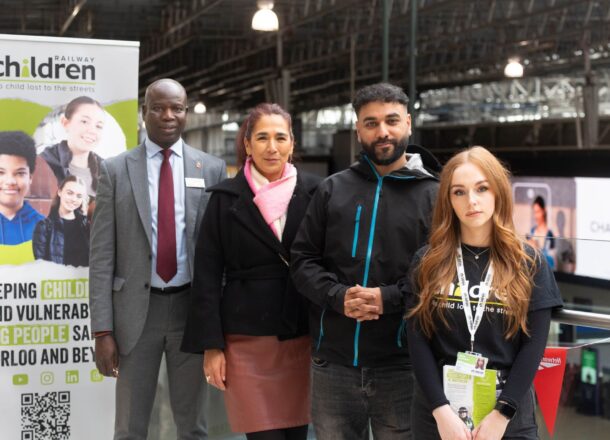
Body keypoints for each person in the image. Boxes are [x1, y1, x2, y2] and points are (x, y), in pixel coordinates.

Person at [291, 83, 439, 440]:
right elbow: (302, 261)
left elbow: (441, 274)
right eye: (370, 123)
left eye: (391, 120)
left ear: (408, 123)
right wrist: (338, 296)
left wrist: (388, 299)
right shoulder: (332, 189)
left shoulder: (435, 195)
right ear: (358, 129)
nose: (382, 131)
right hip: (333, 366)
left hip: (403, 367)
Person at [89, 78, 226, 440]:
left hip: (189, 312)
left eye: (176, 108)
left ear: (185, 113)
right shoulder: (115, 170)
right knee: (130, 428)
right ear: (144, 112)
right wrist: (103, 331)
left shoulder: (209, 169)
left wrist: (218, 325)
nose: (168, 115)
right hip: (135, 315)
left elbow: (217, 253)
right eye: (158, 107)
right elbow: (102, 256)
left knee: (193, 427)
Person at [181, 103, 320, 440]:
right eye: (262, 138)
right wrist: (212, 346)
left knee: (298, 435)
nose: (271, 147)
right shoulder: (225, 198)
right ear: (247, 144)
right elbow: (208, 276)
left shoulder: (317, 193)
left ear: (292, 144)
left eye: (280, 138)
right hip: (245, 340)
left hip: (301, 334)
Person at [406, 146, 563, 440]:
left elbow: (534, 346)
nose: (472, 201)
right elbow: (417, 342)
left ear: (498, 193)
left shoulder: (529, 263)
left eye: (482, 188)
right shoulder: (426, 262)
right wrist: (441, 412)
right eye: (459, 192)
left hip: (508, 413)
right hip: (438, 413)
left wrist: (502, 414)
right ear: (448, 200)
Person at [40, 96, 105, 198]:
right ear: (65, 123)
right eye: (84, 122)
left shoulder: (106, 171)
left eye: (98, 126)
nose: (92, 130)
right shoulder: (43, 164)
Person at [0, 131, 44, 265]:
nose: (10, 181)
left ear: (30, 178)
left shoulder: (45, 228)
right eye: (1, 172)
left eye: (19, 173)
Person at [32, 175, 90, 266]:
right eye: (70, 193)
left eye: (79, 196)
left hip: (83, 279)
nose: (74, 199)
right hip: (57, 279)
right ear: (60, 192)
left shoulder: (87, 225)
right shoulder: (44, 227)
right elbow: (41, 266)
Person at [526, 195, 555, 269]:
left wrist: (537, 249)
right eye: (534, 212)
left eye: (538, 212)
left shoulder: (549, 234)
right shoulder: (532, 231)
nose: (536, 216)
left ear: (544, 211)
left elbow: (552, 263)